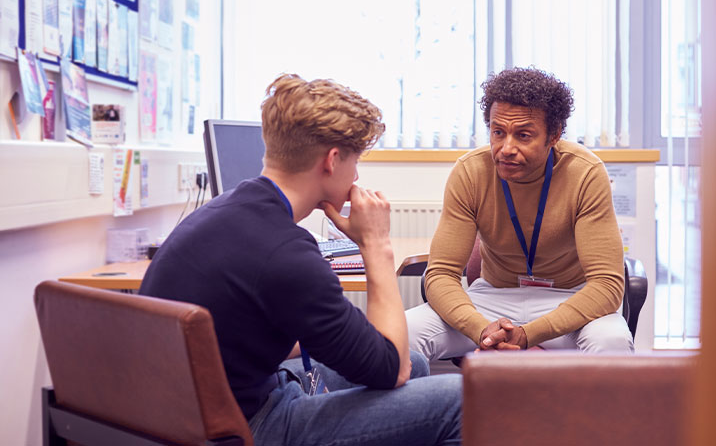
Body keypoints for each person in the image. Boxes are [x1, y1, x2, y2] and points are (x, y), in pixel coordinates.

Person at [139, 73, 461, 445]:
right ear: (333, 160)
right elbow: (392, 370)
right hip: (248, 427)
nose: (356, 175)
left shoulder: (223, 211)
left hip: (188, 413)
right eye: (355, 161)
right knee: (459, 400)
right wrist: (376, 244)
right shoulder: (287, 254)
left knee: (418, 361)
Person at [406, 67, 633, 360]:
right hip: (492, 300)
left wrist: (529, 334)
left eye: (523, 135)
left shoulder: (585, 173)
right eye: (498, 132)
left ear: (554, 135)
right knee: (401, 335)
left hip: (569, 300)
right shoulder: (470, 172)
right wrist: (482, 329)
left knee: (612, 342)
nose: (506, 148)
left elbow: (607, 284)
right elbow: (440, 274)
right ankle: (427, 407)